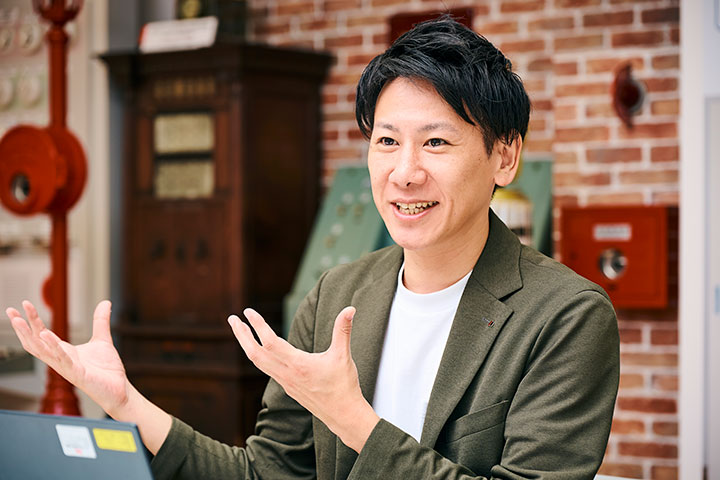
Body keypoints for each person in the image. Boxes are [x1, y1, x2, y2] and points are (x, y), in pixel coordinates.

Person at [6, 16, 619, 480]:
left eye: (436, 143)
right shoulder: (337, 296)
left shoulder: (565, 317)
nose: (404, 173)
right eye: (386, 142)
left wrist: (353, 419)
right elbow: (267, 472)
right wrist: (126, 404)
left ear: (504, 156)